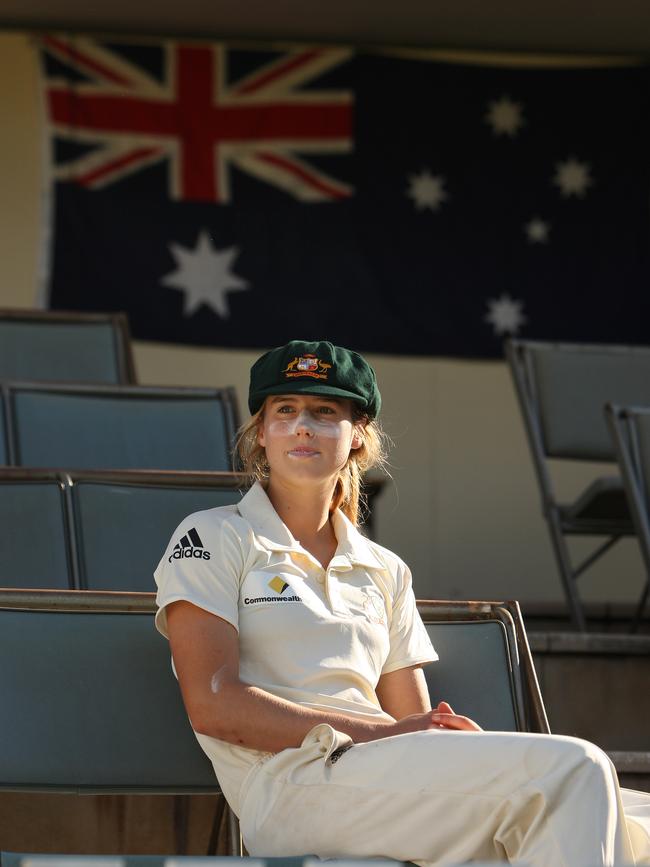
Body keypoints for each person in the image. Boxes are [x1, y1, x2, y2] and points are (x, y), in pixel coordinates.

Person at [154, 339, 650, 866]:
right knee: (577, 771)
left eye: (325, 412)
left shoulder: (385, 568)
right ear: (260, 432)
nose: (303, 426)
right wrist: (389, 735)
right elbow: (213, 705)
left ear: (358, 436)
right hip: (286, 784)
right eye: (285, 410)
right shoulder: (212, 536)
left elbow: (411, 718)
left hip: (384, 775)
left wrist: (435, 739)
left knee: (621, 816)